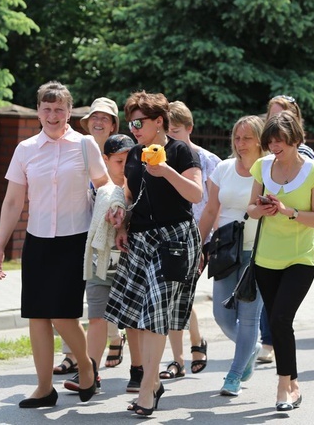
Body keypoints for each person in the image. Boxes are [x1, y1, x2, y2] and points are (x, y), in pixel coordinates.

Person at [0, 81, 114, 408]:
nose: (53, 115)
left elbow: (104, 184)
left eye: (59, 109)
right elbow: (13, 200)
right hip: (38, 241)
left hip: (75, 241)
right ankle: (44, 388)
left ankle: (86, 367)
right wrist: (0, 244)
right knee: (37, 317)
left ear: (69, 111)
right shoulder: (26, 149)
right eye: (46, 109)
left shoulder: (85, 145)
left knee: (63, 316)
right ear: (38, 112)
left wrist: (112, 208)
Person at [104, 91, 203, 417]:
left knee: (156, 313)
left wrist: (167, 172)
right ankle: (151, 383)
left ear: (159, 121)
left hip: (173, 241)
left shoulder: (180, 151)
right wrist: (122, 223)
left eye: (139, 122)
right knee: (141, 317)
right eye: (131, 121)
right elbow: (131, 195)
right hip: (140, 240)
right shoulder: (133, 154)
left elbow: (195, 192)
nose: (133, 128)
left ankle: (148, 386)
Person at [247, 110, 314, 412]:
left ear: (294, 139)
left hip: (301, 257)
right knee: (280, 323)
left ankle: (284, 386)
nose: (274, 147)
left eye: (279, 141)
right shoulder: (261, 166)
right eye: (270, 142)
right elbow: (251, 207)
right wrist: (262, 209)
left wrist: (289, 211)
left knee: (281, 319)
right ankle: (293, 381)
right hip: (266, 258)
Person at [55, 97, 126, 375]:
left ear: (113, 125)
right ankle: (71, 353)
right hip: (74, 232)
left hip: (106, 239)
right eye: (94, 117)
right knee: (69, 294)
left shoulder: (123, 152)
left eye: (105, 118)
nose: (98, 122)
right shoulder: (75, 148)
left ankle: (114, 338)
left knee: (100, 298)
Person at [63, 134, 138, 393]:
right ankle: (91, 372)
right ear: (105, 160)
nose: (125, 165)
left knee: (131, 320)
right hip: (100, 259)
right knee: (96, 317)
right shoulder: (97, 189)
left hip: (129, 259)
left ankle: (138, 371)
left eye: (129, 160)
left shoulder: (140, 186)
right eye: (119, 161)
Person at [198, 115, 265, 397]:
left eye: (247, 138)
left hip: (259, 250)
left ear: (260, 140)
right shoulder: (223, 169)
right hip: (225, 249)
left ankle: (234, 375)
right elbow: (211, 210)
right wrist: (198, 245)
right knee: (222, 316)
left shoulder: (269, 170)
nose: (240, 143)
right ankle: (252, 347)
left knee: (248, 318)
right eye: (237, 137)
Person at [156, 101, 220, 379]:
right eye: (167, 129)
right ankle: (186, 351)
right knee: (175, 295)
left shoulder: (208, 161)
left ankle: (186, 350)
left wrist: (207, 243)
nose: (171, 135)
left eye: (176, 130)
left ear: (189, 129)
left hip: (198, 237)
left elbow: (214, 205)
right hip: (168, 236)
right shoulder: (158, 156)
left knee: (180, 295)